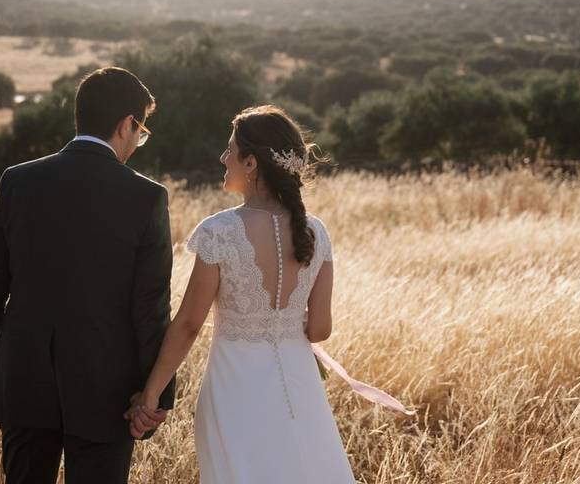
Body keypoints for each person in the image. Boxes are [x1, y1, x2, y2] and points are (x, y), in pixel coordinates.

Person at [125, 104, 414, 483]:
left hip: (234, 389)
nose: (222, 157)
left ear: (251, 164)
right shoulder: (316, 232)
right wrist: (284, 323)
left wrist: (149, 396)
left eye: (231, 150)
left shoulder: (220, 230)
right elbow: (320, 329)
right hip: (299, 388)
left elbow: (189, 324)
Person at [0, 66, 176, 484]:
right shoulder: (146, 197)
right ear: (126, 124)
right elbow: (151, 307)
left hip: (24, 376)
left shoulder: (18, 181)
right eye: (141, 131)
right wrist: (155, 394)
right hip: (108, 388)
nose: (138, 141)